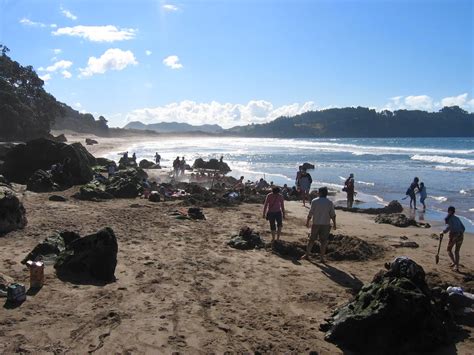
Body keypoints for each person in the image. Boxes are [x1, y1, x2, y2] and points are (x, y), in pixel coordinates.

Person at [301, 187, 336, 263]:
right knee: (323, 241)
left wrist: (307, 222)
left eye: (318, 192)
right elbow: (333, 215)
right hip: (325, 224)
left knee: (311, 240)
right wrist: (334, 224)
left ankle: (307, 255)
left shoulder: (314, 201)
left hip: (316, 223)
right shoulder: (330, 202)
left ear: (320, 193)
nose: (317, 193)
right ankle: (322, 258)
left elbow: (311, 213)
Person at [441, 206, 465, 272]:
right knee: (457, 251)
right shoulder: (457, 218)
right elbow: (463, 228)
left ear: (448, 211)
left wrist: (443, 232)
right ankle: (456, 266)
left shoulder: (448, 218)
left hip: (453, 235)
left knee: (449, 249)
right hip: (460, 235)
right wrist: (460, 233)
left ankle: (454, 263)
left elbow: (448, 227)